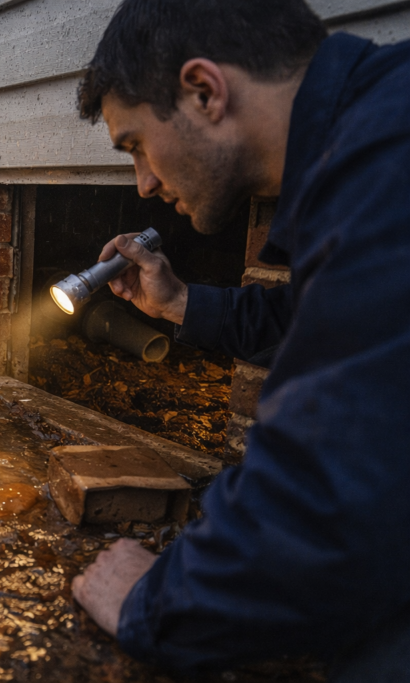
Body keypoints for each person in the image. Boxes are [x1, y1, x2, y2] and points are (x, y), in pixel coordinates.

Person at [67, 0, 410, 678]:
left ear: (204, 91)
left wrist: (152, 600)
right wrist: (183, 303)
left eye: (136, 144)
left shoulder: (387, 160)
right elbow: (321, 326)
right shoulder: (370, 142)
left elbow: (321, 502)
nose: (143, 183)